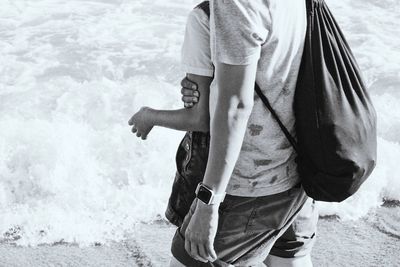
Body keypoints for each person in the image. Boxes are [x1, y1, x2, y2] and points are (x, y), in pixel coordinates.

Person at [129, 1, 318, 266]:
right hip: (297, 171)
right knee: (289, 260)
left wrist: (208, 202)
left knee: (187, 260)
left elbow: (225, 110)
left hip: (249, 184)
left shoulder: (220, 10)